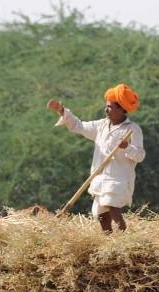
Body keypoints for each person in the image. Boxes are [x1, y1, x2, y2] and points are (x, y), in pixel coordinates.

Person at [47, 83, 145, 233]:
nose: (106, 109)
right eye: (106, 106)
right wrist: (62, 110)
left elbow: (140, 155)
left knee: (112, 205)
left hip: (118, 179)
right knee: (100, 213)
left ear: (121, 109)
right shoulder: (101, 126)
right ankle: (108, 240)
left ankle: (125, 240)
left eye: (110, 107)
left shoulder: (132, 129)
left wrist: (127, 147)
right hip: (99, 177)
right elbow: (78, 126)